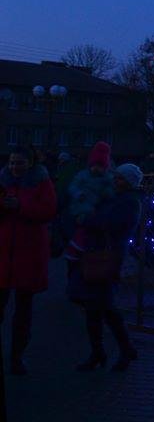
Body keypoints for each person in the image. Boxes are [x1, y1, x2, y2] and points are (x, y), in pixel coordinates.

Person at [68, 162, 143, 371]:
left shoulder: (129, 202)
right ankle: (108, 350)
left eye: (121, 179)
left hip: (107, 256)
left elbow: (111, 223)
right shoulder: (116, 198)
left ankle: (117, 350)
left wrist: (87, 220)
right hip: (99, 254)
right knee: (96, 305)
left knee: (102, 305)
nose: (116, 181)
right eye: (116, 177)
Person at [0, 146, 57, 374]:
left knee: (23, 311)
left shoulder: (42, 183)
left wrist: (21, 206)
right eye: (13, 162)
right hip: (4, 252)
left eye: (20, 162)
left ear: (30, 163)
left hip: (29, 253)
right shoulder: (3, 181)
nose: (15, 166)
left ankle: (17, 356)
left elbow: (49, 210)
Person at [64, 141, 114, 262]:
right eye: (94, 165)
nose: (96, 169)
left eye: (100, 166)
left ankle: (81, 249)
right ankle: (75, 249)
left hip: (95, 207)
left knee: (88, 229)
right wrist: (78, 194)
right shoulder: (83, 175)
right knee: (80, 226)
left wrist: (106, 193)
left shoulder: (107, 179)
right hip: (81, 204)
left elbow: (111, 191)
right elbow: (72, 187)